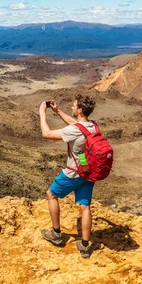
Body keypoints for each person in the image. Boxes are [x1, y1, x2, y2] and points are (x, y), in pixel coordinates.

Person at [38, 94, 97, 258]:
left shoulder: (74, 130)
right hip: (87, 171)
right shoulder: (92, 126)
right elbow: (77, 124)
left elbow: (46, 134)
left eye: (73, 106)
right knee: (85, 206)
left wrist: (42, 113)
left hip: (73, 172)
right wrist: (57, 111)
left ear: (79, 110)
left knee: (51, 194)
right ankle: (85, 246)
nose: (71, 107)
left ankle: (56, 234)